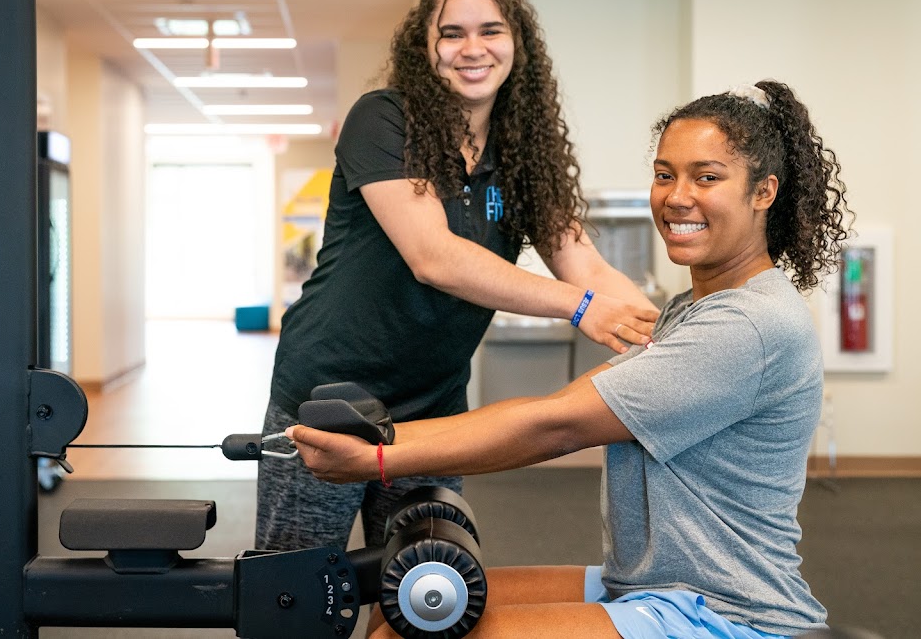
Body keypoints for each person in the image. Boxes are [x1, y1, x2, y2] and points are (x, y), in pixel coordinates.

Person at [289, 79, 853, 638]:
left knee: (415, 632)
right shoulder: (692, 309)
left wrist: (375, 460)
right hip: (648, 584)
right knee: (401, 609)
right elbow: (560, 407)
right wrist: (380, 441)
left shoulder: (748, 324)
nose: (678, 196)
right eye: (664, 175)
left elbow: (555, 424)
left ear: (764, 192)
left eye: (707, 177)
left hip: (723, 610)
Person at [256, 0, 660, 553]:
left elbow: (587, 265)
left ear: (516, 41)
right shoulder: (383, 119)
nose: (473, 48)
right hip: (326, 393)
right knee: (295, 593)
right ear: (426, 45)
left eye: (490, 30)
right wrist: (582, 308)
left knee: (422, 586)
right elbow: (435, 257)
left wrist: (674, 337)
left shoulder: (522, 152)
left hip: (433, 413)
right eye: (452, 32)